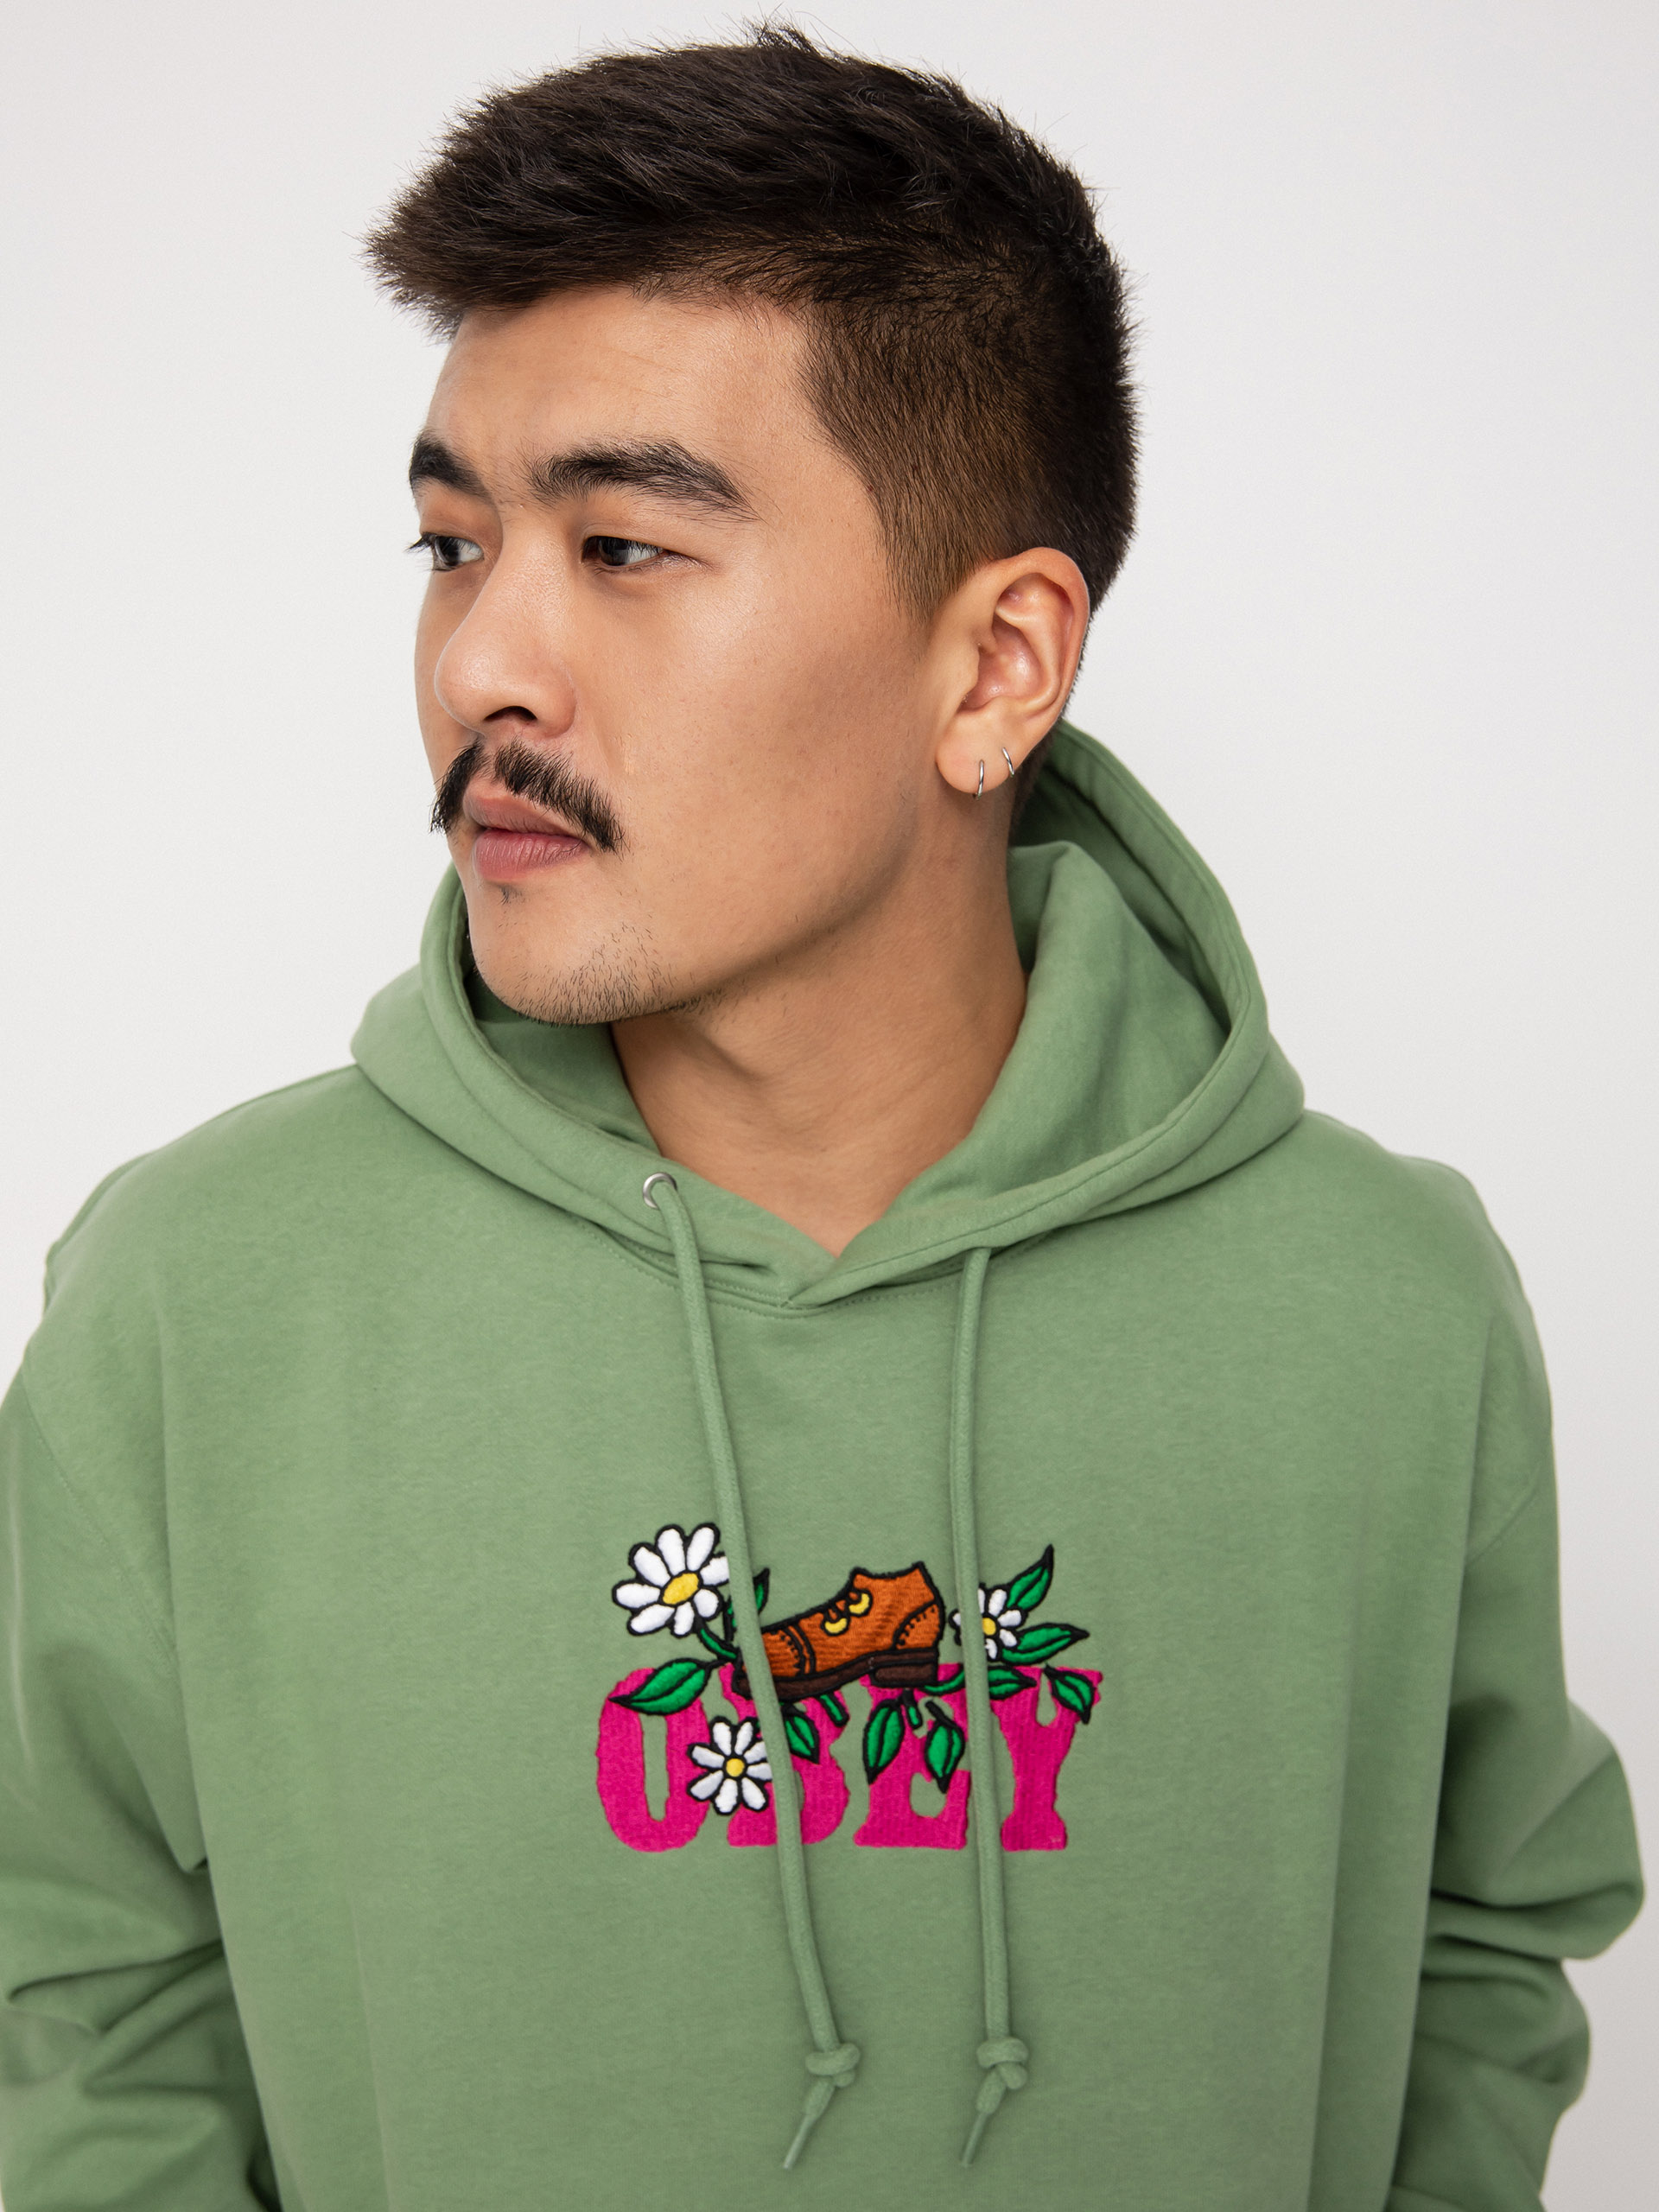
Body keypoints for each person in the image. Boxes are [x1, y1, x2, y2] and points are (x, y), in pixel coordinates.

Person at [0, 27, 1640, 2212]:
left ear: (996, 667)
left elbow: (1487, 1926)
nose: (482, 663)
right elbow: (75, 1988)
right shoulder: (198, 1300)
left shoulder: (1384, 1304)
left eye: (622, 545)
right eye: (451, 542)